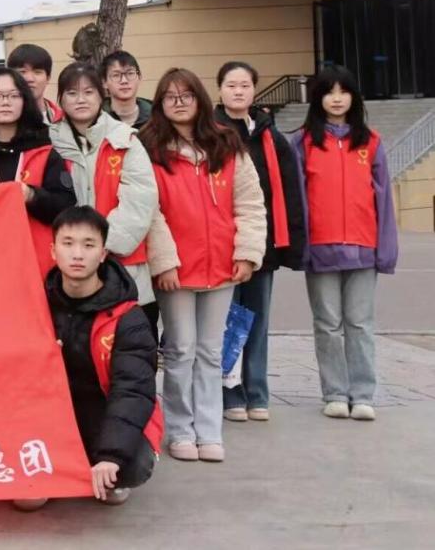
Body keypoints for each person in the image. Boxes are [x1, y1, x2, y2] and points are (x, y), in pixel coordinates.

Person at [140, 68, 266, 463]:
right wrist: (164, 261)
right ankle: (180, 429)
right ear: (160, 104)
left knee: (212, 352)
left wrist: (246, 253)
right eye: (170, 96)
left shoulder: (227, 144)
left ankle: (209, 431)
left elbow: (250, 203)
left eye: (187, 95)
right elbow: (151, 211)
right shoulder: (149, 149)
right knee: (180, 350)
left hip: (222, 266)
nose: (179, 102)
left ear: (200, 99)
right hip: (176, 270)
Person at [14, 206, 160, 512]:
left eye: (88, 245)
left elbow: (133, 390)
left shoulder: (129, 317)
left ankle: (98, 463)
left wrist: (111, 454)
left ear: (103, 254)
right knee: (28, 500)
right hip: (49, 417)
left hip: (102, 414)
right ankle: (58, 469)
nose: (77, 254)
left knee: (127, 468)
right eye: (68, 244)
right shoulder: (34, 306)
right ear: (53, 251)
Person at [292, 65, 398, 422]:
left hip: (363, 248)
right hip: (320, 248)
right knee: (327, 324)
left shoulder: (371, 142)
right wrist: (301, 247)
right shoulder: (303, 142)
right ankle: (335, 393)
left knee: (360, 323)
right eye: (329, 91)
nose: (336, 99)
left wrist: (385, 249)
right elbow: (298, 198)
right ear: (318, 98)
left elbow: (383, 198)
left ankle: (363, 394)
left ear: (354, 97)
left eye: (344, 91)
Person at [215, 61, 307, 423]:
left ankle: (257, 392)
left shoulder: (270, 135)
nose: (238, 91)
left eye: (245, 85)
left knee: (257, 321)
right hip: (222, 245)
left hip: (262, 245)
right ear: (219, 90)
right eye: (231, 85)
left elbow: (290, 189)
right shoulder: (211, 132)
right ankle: (229, 393)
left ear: (254, 90)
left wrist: (292, 243)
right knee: (225, 322)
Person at [50, 63, 159, 338]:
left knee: (126, 345)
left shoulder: (125, 139)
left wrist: (98, 246)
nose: (81, 99)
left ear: (102, 95)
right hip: (66, 267)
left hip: (122, 263)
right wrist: (75, 249)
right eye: (72, 93)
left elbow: (140, 201)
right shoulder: (48, 141)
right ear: (61, 99)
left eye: (89, 92)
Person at [0, 67, 76, 278]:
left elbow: (65, 207)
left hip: (36, 267)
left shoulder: (44, 153)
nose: (5, 102)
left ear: (25, 101)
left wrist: (32, 195)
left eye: (14, 95)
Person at [7, 43, 63, 124]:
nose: (30, 79)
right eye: (22, 72)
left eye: (37, 72)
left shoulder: (64, 120)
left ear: (48, 78)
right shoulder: (0, 120)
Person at [101, 50, 152, 129]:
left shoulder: (156, 116)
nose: (124, 81)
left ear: (139, 78)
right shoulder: (97, 119)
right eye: (116, 75)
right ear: (104, 82)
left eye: (130, 73)